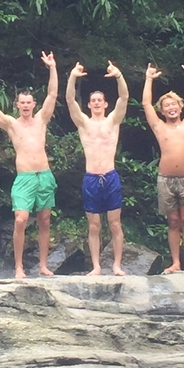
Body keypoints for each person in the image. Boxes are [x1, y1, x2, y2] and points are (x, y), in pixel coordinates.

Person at [0, 52, 58, 279]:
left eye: (29, 103)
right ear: (17, 105)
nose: (26, 106)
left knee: (44, 220)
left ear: (34, 104)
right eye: (22, 103)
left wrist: (52, 67)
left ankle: (43, 265)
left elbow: (52, 94)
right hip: (25, 178)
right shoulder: (12, 124)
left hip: (44, 175)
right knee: (21, 219)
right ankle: (19, 267)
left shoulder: (41, 119)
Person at [66, 61, 129, 276]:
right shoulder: (84, 123)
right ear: (89, 105)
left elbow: (124, 98)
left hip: (110, 176)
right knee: (94, 225)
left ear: (105, 103)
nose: (96, 103)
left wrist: (118, 75)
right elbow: (69, 100)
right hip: (91, 178)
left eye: (99, 100)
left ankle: (117, 265)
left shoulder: (113, 121)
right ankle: (96, 266)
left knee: (114, 223)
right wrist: (73, 76)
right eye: (93, 101)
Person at [142, 59, 184, 274]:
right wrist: (148, 79)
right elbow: (146, 105)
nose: (170, 108)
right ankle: (175, 262)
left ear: (180, 106)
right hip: (166, 178)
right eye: (166, 106)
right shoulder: (159, 126)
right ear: (162, 111)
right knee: (173, 221)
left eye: (173, 104)